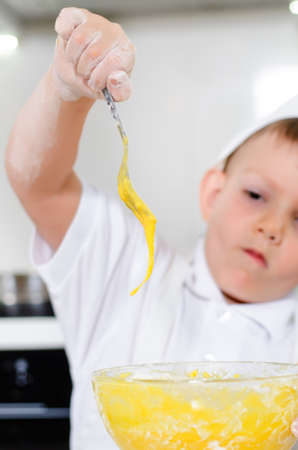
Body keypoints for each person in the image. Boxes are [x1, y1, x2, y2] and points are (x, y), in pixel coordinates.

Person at [5, 6, 298, 449]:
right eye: (256, 196)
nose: (272, 227)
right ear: (213, 193)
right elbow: (39, 185)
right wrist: (66, 91)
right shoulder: (125, 269)